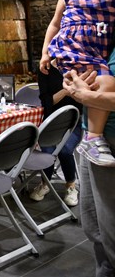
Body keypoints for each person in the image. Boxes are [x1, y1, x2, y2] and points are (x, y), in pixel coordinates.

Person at [40, 0, 115, 167]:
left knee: (103, 84)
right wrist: (45, 52)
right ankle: (93, 137)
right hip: (69, 50)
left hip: (95, 54)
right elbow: (54, 24)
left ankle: (91, 137)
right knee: (105, 83)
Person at [63, 63, 115, 276]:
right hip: (92, 139)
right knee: (94, 226)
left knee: (111, 231)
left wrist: (89, 96)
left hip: (109, 141)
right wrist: (74, 83)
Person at [30, 63, 82, 206]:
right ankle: (45, 183)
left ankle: (71, 185)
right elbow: (46, 102)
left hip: (73, 122)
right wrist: (66, 91)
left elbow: (83, 99)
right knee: (47, 150)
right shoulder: (45, 69)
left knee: (65, 150)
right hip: (51, 123)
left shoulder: (76, 65)